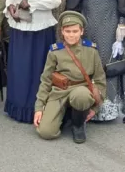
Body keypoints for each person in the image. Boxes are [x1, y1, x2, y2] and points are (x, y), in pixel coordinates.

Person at [3, 0, 60, 124]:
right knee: (19, 68)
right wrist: (10, 6)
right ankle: (17, 107)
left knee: (37, 69)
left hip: (40, 29)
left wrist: (32, 4)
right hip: (19, 27)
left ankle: (36, 109)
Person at [33, 11, 106, 143]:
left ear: (81, 31)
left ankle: (78, 125)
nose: (71, 35)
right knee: (46, 132)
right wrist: (39, 108)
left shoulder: (91, 50)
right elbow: (46, 80)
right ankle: (65, 115)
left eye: (75, 31)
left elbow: (100, 80)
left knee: (81, 96)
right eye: (67, 31)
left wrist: (95, 108)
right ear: (62, 31)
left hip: (81, 90)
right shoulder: (55, 51)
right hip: (59, 92)